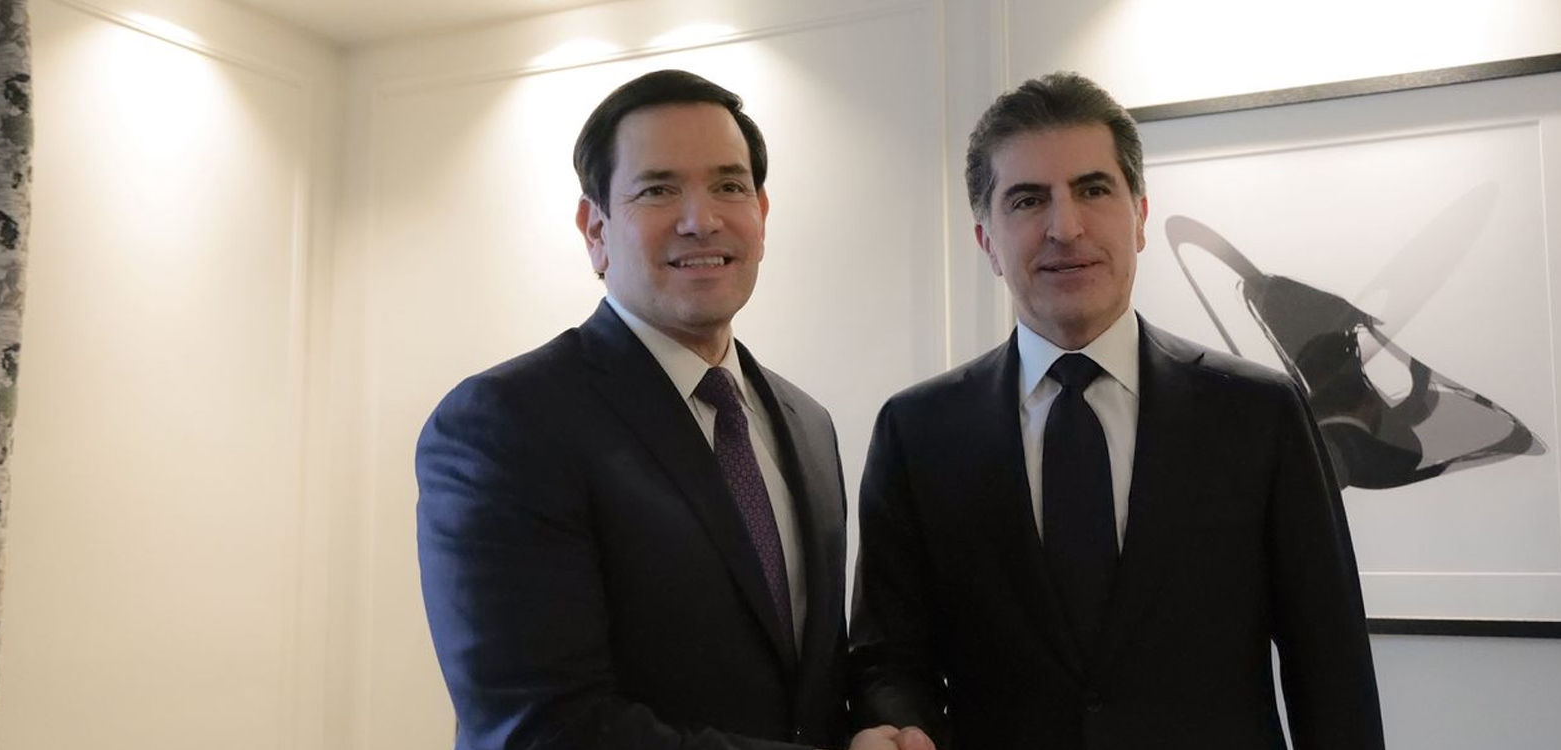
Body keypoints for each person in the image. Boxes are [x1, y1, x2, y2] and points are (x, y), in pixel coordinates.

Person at [849, 71, 1386, 749]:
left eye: (1093, 190)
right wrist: (902, 727)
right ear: (986, 241)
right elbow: (889, 658)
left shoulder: (1260, 415)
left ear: (1139, 218)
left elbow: (1331, 668)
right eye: (1027, 200)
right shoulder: (918, 431)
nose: (1064, 227)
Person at [416, 69, 911, 750]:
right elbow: (542, 729)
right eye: (658, 189)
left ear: (762, 216)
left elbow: (809, 683)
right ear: (595, 228)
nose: (701, 219)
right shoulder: (504, 425)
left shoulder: (807, 424)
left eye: (729, 186)